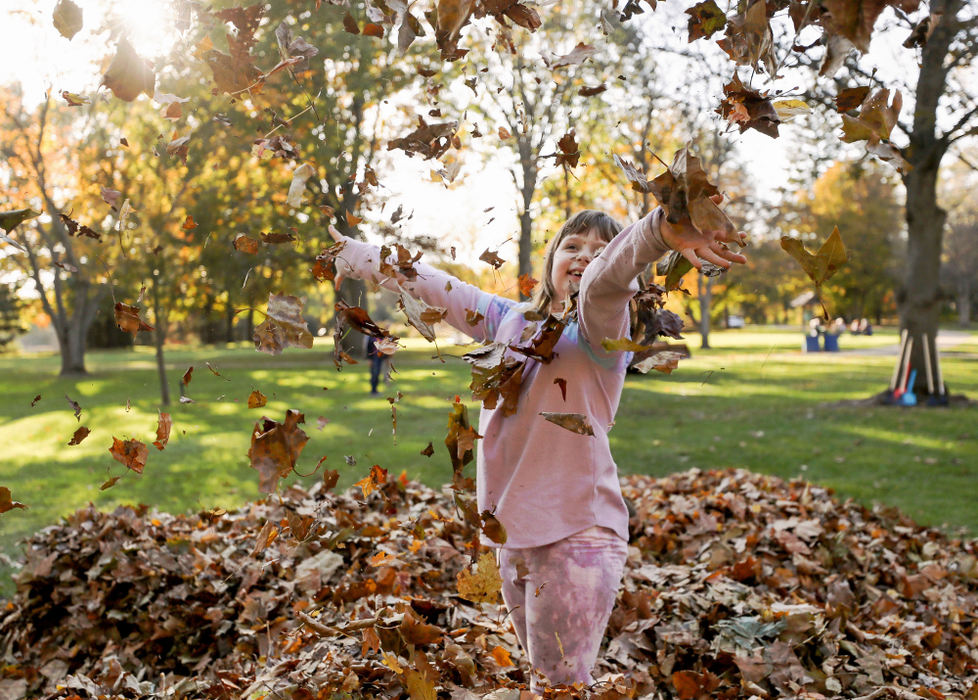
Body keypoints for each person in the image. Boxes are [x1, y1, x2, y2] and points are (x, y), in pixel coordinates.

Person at [327, 200, 746, 692]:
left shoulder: (600, 329)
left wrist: (657, 231)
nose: (586, 257)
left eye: (601, 248)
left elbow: (606, 281)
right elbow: (438, 285)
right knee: (545, 682)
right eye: (572, 246)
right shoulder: (507, 319)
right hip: (513, 532)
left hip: (577, 534)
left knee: (558, 684)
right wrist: (357, 254)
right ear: (549, 262)